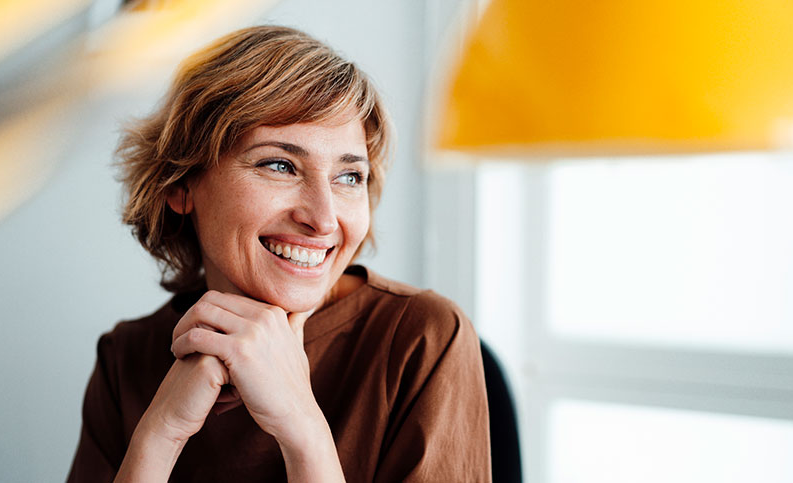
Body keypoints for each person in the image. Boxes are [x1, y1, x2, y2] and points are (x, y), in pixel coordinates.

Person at [67, 25, 491, 482]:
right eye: (280, 165)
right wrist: (162, 433)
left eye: (349, 177)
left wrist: (302, 429)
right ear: (180, 185)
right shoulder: (127, 358)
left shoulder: (422, 338)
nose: (324, 219)